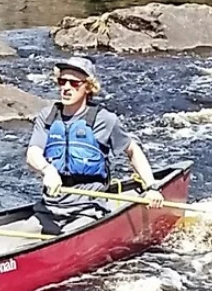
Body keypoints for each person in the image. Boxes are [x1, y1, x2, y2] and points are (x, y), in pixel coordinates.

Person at [26, 57, 155, 231]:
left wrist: (152, 187)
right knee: (15, 240)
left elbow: (132, 150)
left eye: (74, 83)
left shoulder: (105, 120)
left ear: (88, 87)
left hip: (88, 210)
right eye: (62, 81)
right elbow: (33, 153)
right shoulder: (47, 116)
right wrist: (47, 170)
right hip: (48, 208)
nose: (66, 88)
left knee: (69, 237)